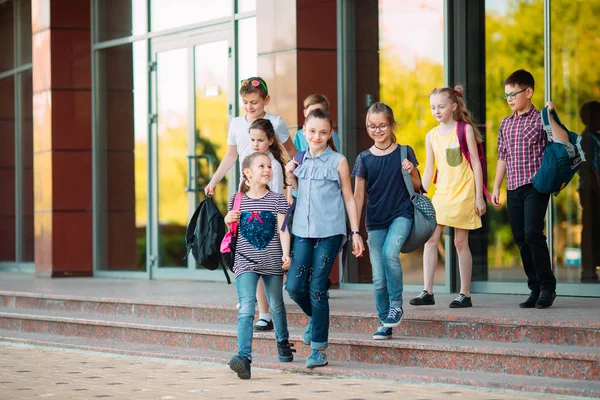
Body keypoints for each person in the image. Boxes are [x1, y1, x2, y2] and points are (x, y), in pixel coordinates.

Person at [205, 77, 296, 331]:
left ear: (265, 100)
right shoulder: (236, 124)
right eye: (245, 102)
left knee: (270, 250)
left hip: (271, 191)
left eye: (254, 102)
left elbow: (290, 152)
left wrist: (292, 188)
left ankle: (266, 305)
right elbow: (231, 156)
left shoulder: (275, 123)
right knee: (246, 248)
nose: (249, 107)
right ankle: (258, 305)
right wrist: (214, 180)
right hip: (246, 193)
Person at [285, 108, 364, 369]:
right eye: (312, 131)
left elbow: (348, 196)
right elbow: (298, 192)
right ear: (303, 132)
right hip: (303, 231)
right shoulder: (299, 159)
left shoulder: (338, 160)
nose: (317, 136)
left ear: (330, 133)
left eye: (322, 132)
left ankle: (318, 349)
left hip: (330, 231)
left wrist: (355, 233)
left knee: (318, 287)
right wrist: (289, 176)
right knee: (294, 287)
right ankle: (315, 321)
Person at [490, 69, 568, 309]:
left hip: (536, 185)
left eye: (514, 94)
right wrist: (495, 186)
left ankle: (548, 287)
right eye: (506, 96)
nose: (510, 99)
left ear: (529, 92)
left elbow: (563, 140)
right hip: (513, 187)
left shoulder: (540, 118)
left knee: (533, 234)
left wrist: (550, 115)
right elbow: (503, 156)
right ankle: (534, 288)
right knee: (520, 238)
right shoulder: (505, 123)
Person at [409, 86, 486, 309]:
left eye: (441, 106)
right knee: (431, 239)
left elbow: (476, 164)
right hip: (441, 194)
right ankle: (428, 291)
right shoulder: (431, 135)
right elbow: (429, 168)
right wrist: (420, 195)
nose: (436, 111)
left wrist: (479, 197)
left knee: (460, 242)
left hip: (463, 193)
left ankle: (465, 293)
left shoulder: (464, 130)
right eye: (433, 107)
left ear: (453, 107)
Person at [353, 102, 421, 340]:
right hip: (375, 221)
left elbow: (418, 186)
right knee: (378, 276)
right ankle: (385, 321)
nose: (377, 130)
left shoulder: (405, 151)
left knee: (390, 254)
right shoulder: (363, 159)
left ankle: (396, 305)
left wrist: (411, 170)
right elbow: (358, 196)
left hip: (401, 214)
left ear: (392, 125)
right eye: (372, 126)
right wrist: (355, 231)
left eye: (382, 125)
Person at [226, 152, 295, 380]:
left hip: (273, 260)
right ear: (247, 172)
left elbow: (283, 228)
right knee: (247, 308)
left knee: (276, 304)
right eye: (261, 166)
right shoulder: (237, 200)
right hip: (244, 262)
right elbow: (233, 232)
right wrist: (228, 220)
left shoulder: (277, 199)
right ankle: (243, 358)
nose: (267, 170)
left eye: (269, 166)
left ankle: (283, 343)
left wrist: (286, 253)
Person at [246, 118, 289, 331]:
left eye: (260, 140)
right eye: (252, 139)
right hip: (251, 224)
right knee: (255, 269)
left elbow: (276, 197)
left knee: (269, 273)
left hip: (269, 224)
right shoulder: (250, 162)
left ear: (270, 140)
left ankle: (270, 313)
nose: (255, 143)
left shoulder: (274, 166)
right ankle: (263, 313)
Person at [578, 100, 600, 283]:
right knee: (591, 229)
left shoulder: (595, 137)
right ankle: (588, 270)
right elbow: (587, 167)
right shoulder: (586, 138)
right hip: (591, 191)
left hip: (594, 189)